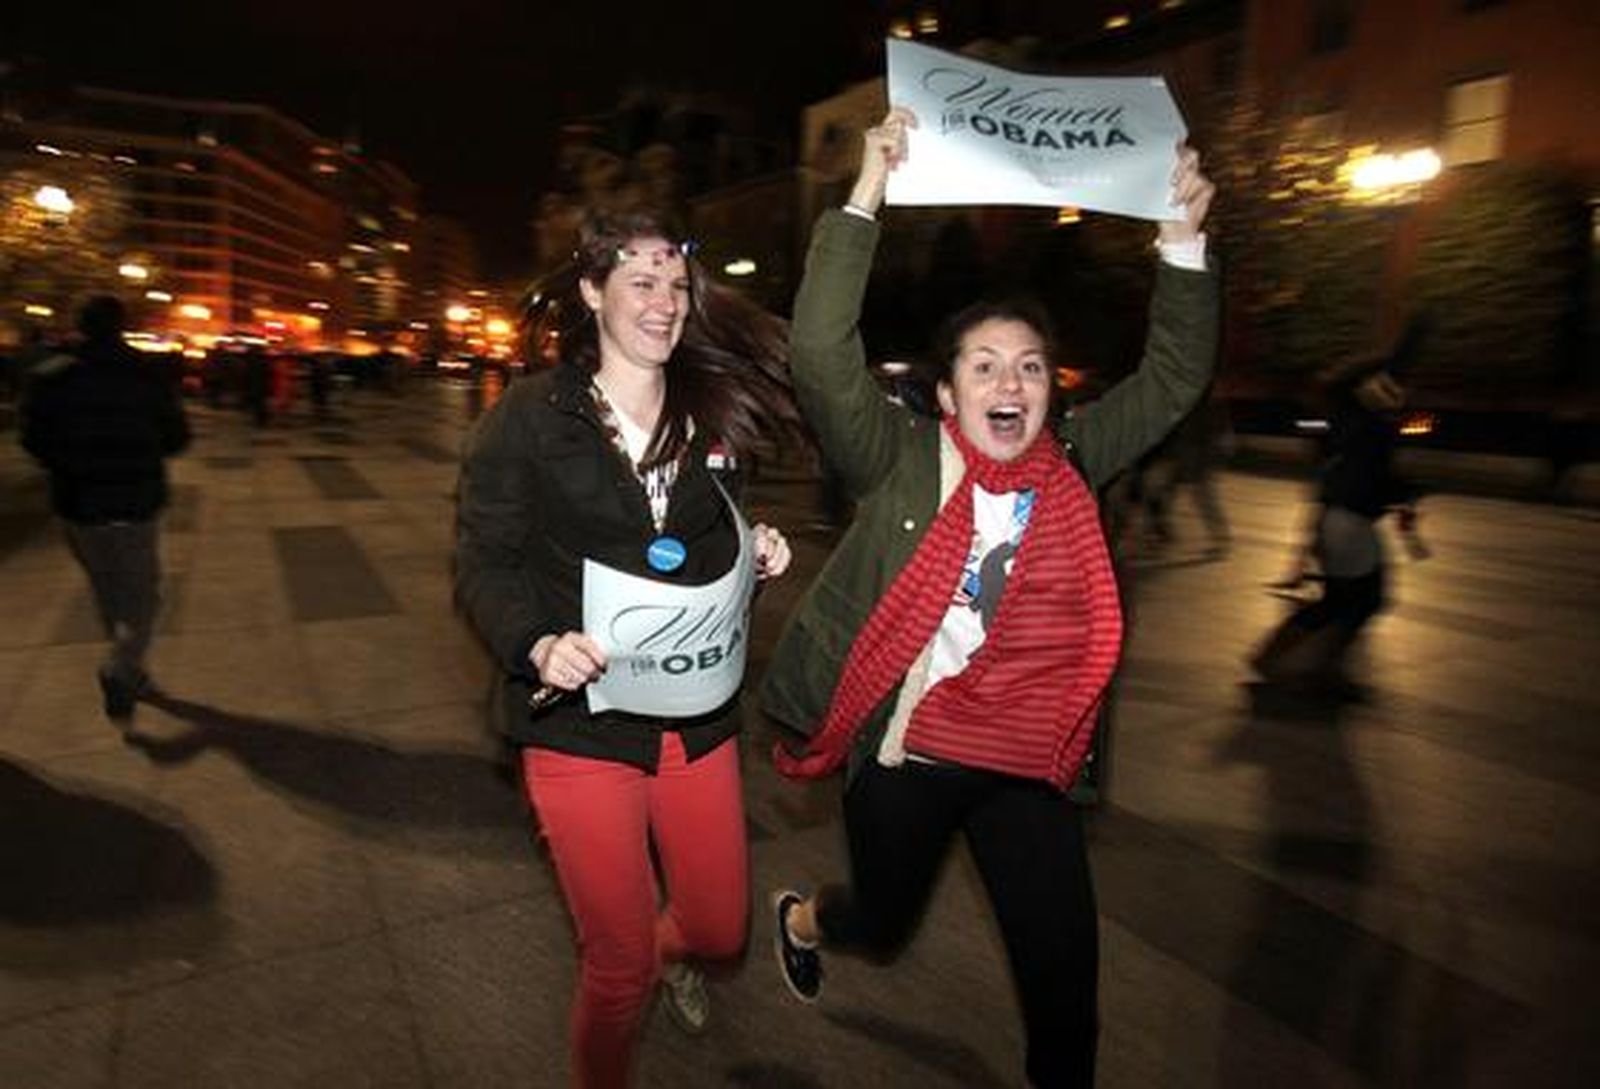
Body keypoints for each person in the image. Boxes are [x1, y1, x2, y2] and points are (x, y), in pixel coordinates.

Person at [761, 108, 1219, 1088]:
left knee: (1065, 992)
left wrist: (1181, 238)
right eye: (983, 365)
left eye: (1028, 367)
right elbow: (818, 353)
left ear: (1051, 392)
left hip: (1027, 762)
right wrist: (865, 190)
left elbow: (1175, 376)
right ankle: (804, 918)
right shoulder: (897, 462)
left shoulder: (1077, 463)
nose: (1008, 381)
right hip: (908, 755)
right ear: (946, 395)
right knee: (880, 924)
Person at [453, 206, 804, 1089]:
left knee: (721, 929)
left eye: (676, 286)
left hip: (695, 723)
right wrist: (534, 641)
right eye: (641, 282)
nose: (664, 303)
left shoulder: (712, 416)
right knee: (617, 969)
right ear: (591, 291)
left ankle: (668, 953)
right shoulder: (529, 419)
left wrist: (753, 552)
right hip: (579, 727)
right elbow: (483, 562)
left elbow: (706, 542)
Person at [19, 295, 191, 720]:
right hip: (133, 503)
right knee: (145, 596)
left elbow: (32, 437)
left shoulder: (54, 373)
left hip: (78, 504)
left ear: (81, 325)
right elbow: (176, 437)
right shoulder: (146, 372)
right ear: (121, 325)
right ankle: (122, 667)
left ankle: (131, 668)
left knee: (106, 586)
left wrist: (66, 463)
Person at [1250, 351, 1423, 692]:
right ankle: (1298, 662)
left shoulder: (1357, 424)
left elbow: (1375, 476)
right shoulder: (1364, 423)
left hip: (1342, 521)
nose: (1396, 393)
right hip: (1351, 524)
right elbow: (1378, 477)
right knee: (1360, 601)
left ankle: (1288, 659)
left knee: (1343, 601)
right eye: (1387, 386)